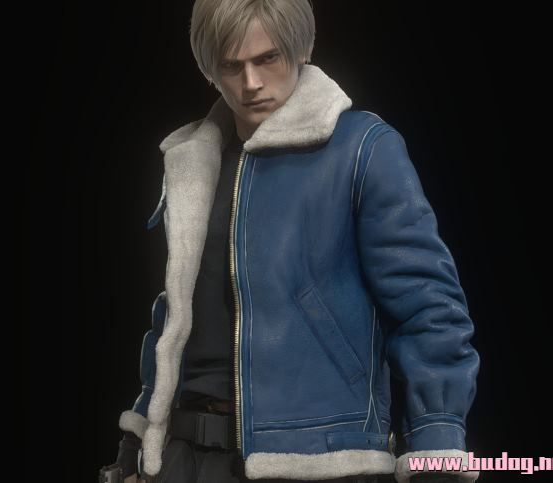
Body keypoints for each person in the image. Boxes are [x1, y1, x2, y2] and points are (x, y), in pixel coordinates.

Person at [113, 1, 480, 482]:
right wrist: (137, 439)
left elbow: (429, 307)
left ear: (301, 48)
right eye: (231, 65)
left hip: (320, 458)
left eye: (268, 58)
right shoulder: (192, 162)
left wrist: (437, 450)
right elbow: (173, 320)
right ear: (209, 69)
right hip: (184, 459)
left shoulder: (362, 148)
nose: (251, 83)